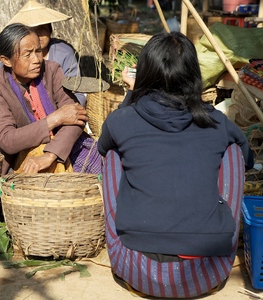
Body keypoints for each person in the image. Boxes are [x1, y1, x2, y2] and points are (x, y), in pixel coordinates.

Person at [97, 31, 254, 298]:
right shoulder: (216, 122)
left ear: (145, 73)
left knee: (111, 153)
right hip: (208, 272)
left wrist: (131, 97)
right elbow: (248, 160)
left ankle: (125, 239)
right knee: (232, 152)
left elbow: (103, 148)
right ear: (193, 76)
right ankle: (219, 235)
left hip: (134, 267)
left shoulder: (122, 120)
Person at [0, 23, 102, 176]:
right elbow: (7, 140)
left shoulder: (51, 70)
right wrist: (55, 119)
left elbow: (77, 116)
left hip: (63, 146)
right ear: (6, 60)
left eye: (38, 51)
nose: (36, 59)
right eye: (28, 55)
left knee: (101, 173)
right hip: (21, 158)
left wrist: (50, 155)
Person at [4, 0, 87, 106]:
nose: (37, 35)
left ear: (50, 31)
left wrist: (72, 109)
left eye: (42, 29)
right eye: (32, 30)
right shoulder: (16, 54)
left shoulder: (63, 54)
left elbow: (77, 90)